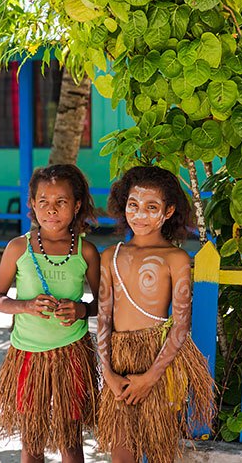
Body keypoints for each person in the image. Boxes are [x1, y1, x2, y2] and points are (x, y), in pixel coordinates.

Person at [96, 166, 216, 463]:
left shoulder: (175, 258)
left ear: (168, 211)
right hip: (119, 360)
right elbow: (103, 318)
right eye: (133, 205)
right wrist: (108, 373)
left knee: (160, 446)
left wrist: (150, 377)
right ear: (123, 206)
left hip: (160, 361)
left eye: (152, 207)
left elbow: (181, 325)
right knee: (121, 448)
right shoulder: (110, 256)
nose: (140, 214)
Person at [0, 164, 101, 463]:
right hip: (27, 354)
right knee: (32, 442)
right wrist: (26, 306)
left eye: (61, 202)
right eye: (44, 202)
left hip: (72, 353)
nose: (52, 210)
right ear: (32, 205)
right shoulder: (17, 248)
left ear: (76, 205)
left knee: (71, 442)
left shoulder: (85, 251)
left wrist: (81, 310)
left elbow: (104, 303)